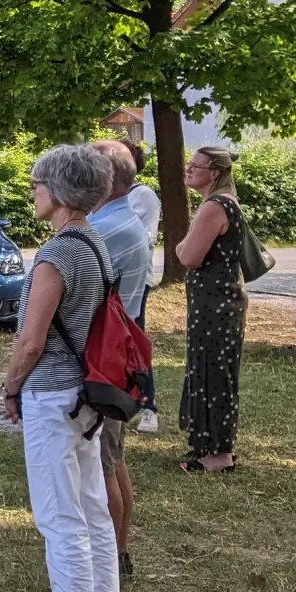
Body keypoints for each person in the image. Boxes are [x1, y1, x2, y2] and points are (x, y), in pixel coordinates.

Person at [0, 144, 122, 592]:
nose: (31, 190)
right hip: (87, 397)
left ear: (58, 191)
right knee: (93, 515)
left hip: (51, 396)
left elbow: (31, 340)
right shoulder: (95, 244)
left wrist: (9, 388)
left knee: (61, 522)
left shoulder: (56, 255)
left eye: (35, 182)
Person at [89, 140, 155, 579]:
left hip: (105, 360)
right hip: (113, 357)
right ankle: (119, 551)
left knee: (105, 464)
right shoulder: (114, 220)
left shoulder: (108, 229)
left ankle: (113, 557)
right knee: (113, 459)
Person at [176, 146, 247, 474]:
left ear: (214, 172)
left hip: (214, 304)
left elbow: (188, 256)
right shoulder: (224, 203)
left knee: (212, 371)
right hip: (219, 300)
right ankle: (209, 446)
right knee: (212, 369)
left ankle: (218, 453)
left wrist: (181, 244)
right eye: (189, 164)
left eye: (196, 166)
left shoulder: (214, 207)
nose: (189, 170)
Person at [119, 138, 161, 434]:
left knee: (134, 341)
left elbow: (147, 238)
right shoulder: (103, 197)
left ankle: (149, 407)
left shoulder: (142, 194)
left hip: (134, 280)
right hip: (110, 280)